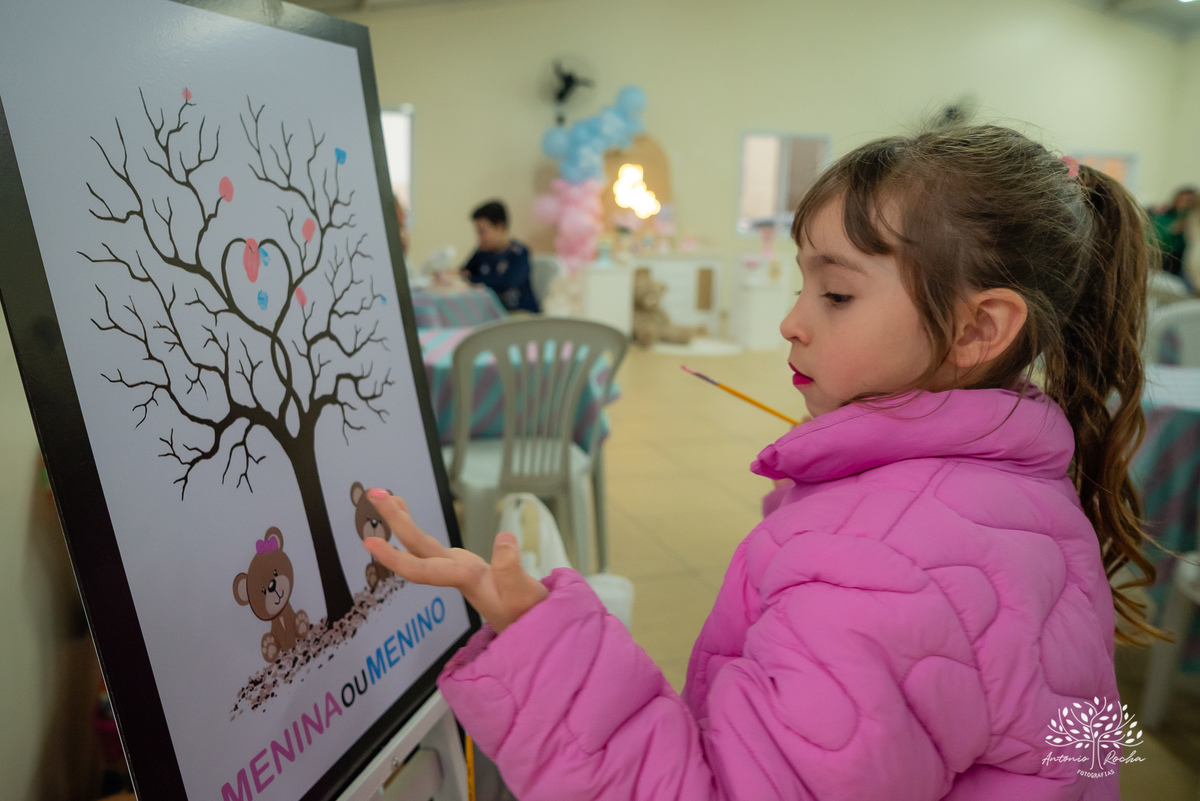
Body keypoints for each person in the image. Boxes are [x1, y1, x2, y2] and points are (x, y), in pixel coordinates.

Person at [363, 126, 1159, 799]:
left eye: (836, 295)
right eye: (800, 283)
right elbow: (1077, 753)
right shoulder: (1030, 486)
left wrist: (537, 643)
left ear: (979, 329)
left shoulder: (878, 565)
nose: (789, 321)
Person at [459, 200, 539, 313]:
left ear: (500, 227)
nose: (479, 237)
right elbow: (464, 272)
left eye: (482, 232)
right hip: (491, 314)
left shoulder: (518, 252)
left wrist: (471, 281)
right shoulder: (482, 252)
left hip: (520, 313)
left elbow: (507, 281)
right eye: (477, 232)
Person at [1148, 186, 1197, 283]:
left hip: (1183, 262)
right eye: (1182, 200)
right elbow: (1153, 238)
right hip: (1164, 258)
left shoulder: (1193, 219)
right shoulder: (1163, 217)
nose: (1185, 204)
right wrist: (1173, 229)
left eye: (1189, 202)